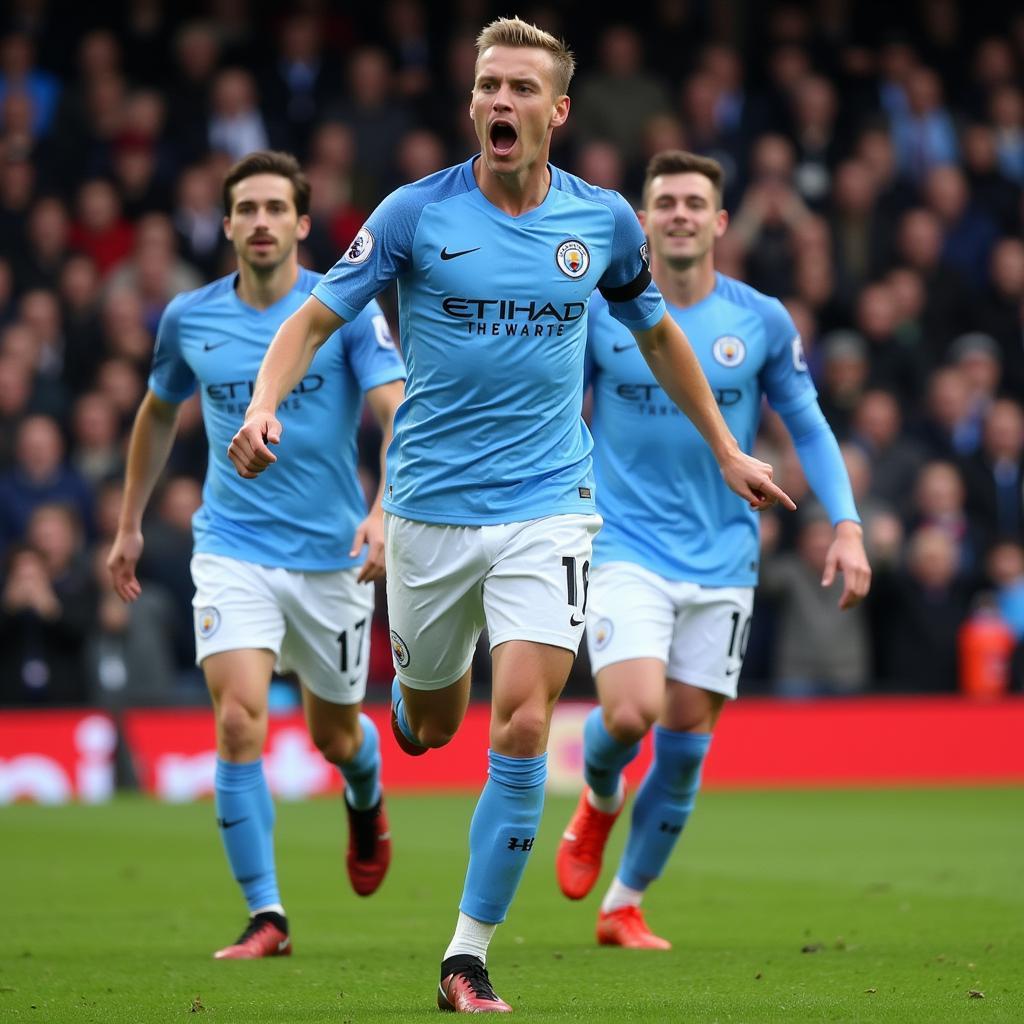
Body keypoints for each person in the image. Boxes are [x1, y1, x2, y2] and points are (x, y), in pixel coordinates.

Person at [227, 21, 791, 1014]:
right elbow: (315, 318)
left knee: (525, 716)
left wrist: (724, 447)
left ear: (555, 111)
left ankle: (466, 955)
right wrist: (266, 400)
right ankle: (401, 712)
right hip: (430, 512)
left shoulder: (605, 222)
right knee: (430, 727)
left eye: (520, 88)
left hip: (551, 506)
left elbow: (656, 337)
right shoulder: (413, 214)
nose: (499, 101)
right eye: (487, 84)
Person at [555, 150, 870, 948]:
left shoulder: (759, 319)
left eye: (696, 202)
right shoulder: (602, 311)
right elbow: (556, 405)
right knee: (630, 713)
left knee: (687, 747)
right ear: (645, 220)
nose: (682, 214)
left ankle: (625, 903)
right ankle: (596, 798)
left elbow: (807, 423)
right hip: (623, 543)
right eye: (666, 202)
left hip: (725, 557)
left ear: (721, 221)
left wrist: (848, 524)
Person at [107, 150, 405, 960]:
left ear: (303, 224)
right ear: (229, 223)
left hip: (332, 557)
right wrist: (130, 522)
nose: (263, 222)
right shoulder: (188, 318)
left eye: (279, 208)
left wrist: (383, 513)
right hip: (232, 547)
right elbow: (156, 413)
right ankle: (267, 916)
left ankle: (364, 790)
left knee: (336, 735)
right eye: (249, 209)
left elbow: (396, 411)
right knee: (237, 720)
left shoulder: (341, 308)